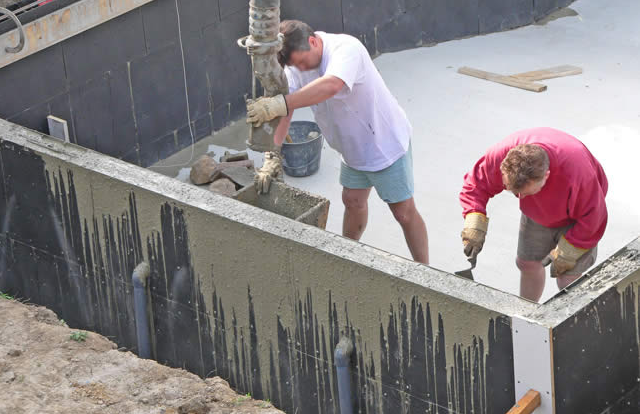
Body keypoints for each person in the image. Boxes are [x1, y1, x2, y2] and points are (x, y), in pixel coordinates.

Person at [246, 20, 429, 264]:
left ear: (313, 41)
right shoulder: (297, 64)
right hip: (352, 149)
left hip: (384, 145)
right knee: (352, 201)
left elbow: (331, 85)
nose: (300, 69)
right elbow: (286, 110)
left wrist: (283, 103)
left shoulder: (346, 49)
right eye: (295, 65)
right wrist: (273, 153)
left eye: (302, 62)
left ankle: (425, 271)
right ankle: (346, 257)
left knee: (403, 214)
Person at [459, 127, 608, 301]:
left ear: (547, 176)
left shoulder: (578, 173)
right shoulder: (501, 156)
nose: (520, 197)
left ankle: (576, 324)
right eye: (514, 190)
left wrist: (570, 250)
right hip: (538, 214)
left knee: (567, 279)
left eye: (527, 192)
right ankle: (527, 313)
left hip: (577, 217)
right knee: (527, 264)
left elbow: (593, 217)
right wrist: (474, 220)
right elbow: (476, 185)